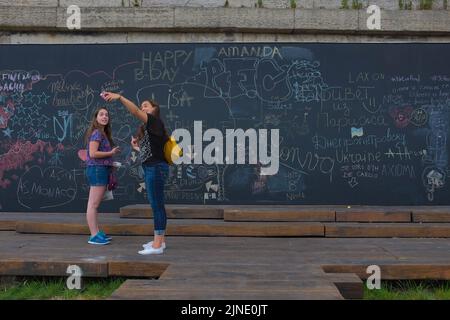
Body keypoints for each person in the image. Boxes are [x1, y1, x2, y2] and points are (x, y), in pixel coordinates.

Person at [103, 92, 169, 255]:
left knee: (157, 206)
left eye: (146, 105)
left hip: (155, 168)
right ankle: (160, 241)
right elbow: (152, 152)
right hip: (152, 166)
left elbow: (133, 112)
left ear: (155, 109)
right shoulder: (151, 127)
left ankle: (157, 245)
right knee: (157, 205)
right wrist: (136, 148)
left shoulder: (154, 121)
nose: (142, 108)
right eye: (142, 106)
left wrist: (120, 97)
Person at [84, 107, 120, 245]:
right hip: (97, 170)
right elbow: (93, 154)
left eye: (106, 115)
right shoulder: (97, 133)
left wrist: (110, 161)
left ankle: (97, 233)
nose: (104, 117)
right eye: (101, 114)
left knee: (94, 204)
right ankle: (94, 236)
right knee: (93, 204)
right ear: (96, 118)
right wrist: (110, 153)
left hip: (100, 169)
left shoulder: (102, 133)